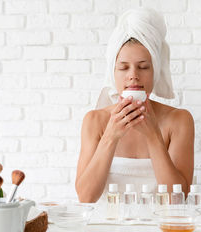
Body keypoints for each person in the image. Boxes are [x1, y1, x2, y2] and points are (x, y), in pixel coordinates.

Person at [75, 8, 194, 203]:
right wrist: (111, 136)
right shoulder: (95, 121)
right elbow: (86, 197)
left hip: (161, 230)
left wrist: (153, 135)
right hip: (107, 230)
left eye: (143, 67)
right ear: (113, 72)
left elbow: (177, 198)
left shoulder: (179, 120)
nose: (133, 75)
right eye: (123, 67)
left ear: (155, 70)